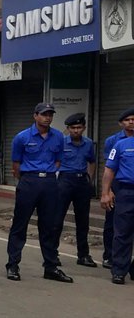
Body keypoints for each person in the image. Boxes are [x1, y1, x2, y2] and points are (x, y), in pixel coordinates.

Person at [5, 102, 72, 282]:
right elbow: (16, 165)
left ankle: (50, 267)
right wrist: (29, 179)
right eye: (44, 114)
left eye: (50, 114)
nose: (47, 117)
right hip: (29, 181)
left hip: (50, 182)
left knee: (49, 226)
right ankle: (13, 264)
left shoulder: (58, 137)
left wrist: (46, 176)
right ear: (35, 116)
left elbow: (58, 161)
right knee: (20, 225)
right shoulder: (22, 137)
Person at [55, 112, 98, 268]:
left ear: (84, 128)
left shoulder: (88, 143)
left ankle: (83, 255)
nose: (76, 131)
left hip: (81, 182)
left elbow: (92, 162)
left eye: (79, 127)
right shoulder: (61, 142)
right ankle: (53, 253)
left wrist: (89, 179)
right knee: (57, 218)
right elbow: (54, 161)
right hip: (65, 180)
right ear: (68, 128)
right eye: (73, 128)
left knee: (83, 221)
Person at [100, 106, 134, 283]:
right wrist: (105, 192)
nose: (132, 122)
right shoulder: (121, 145)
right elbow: (109, 170)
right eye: (129, 119)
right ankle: (119, 270)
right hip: (126, 191)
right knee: (122, 232)